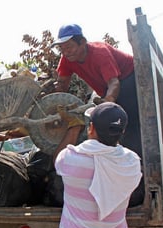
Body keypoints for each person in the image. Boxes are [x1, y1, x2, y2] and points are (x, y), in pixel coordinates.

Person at [44, 102, 142, 228]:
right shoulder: (132, 163)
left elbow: (56, 160)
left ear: (91, 128)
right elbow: (111, 155)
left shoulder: (71, 159)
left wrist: (74, 128)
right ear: (123, 131)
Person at [51, 24, 142, 159]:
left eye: (69, 47)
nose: (66, 52)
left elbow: (114, 83)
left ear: (82, 42)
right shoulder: (67, 59)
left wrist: (108, 100)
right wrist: (52, 97)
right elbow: (62, 84)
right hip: (107, 86)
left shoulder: (99, 53)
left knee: (127, 123)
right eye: (62, 49)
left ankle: (136, 163)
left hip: (128, 78)